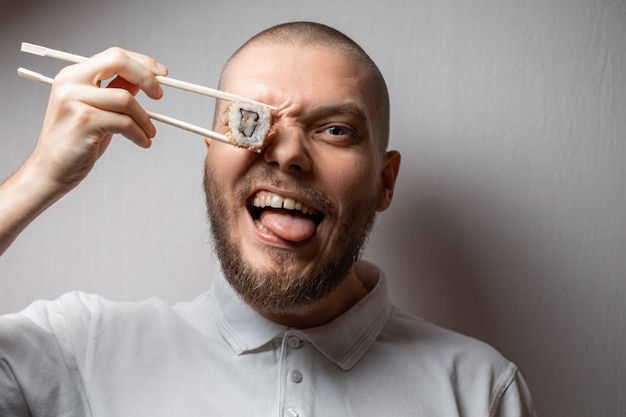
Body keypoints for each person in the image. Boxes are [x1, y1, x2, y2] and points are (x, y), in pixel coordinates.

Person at [0, 22, 537, 416]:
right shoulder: (79, 351)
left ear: (385, 182)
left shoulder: (480, 390)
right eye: (249, 121)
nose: (286, 155)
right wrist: (37, 178)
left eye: (335, 130)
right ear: (208, 157)